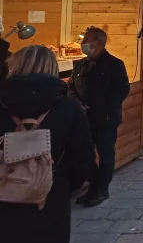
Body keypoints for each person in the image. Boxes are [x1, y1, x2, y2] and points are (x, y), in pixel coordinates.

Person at [0, 46, 95, 243]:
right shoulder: (69, 107)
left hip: (4, 193)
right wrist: (64, 185)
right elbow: (83, 159)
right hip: (50, 197)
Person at [69, 26, 130, 207]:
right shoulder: (80, 65)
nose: (83, 44)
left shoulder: (114, 64)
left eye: (87, 40)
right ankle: (94, 186)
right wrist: (77, 103)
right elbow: (71, 87)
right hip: (84, 118)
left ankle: (101, 189)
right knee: (84, 155)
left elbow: (122, 89)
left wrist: (105, 108)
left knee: (105, 156)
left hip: (105, 118)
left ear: (100, 43)